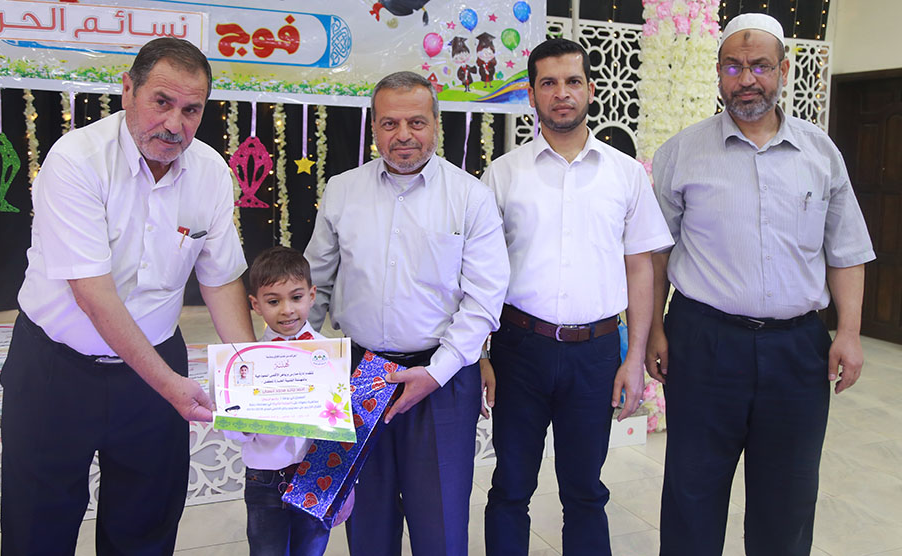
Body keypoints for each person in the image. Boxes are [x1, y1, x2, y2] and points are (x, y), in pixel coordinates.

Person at [0, 37, 256, 554]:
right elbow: (93, 295)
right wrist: (169, 386)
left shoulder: (210, 172)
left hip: (155, 366)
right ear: (127, 90)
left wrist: (255, 376)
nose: (174, 124)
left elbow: (221, 278)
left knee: (146, 526)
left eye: (191, 110)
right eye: (162, 101)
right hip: (56, 370)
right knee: (37, 528)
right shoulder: (77, 160)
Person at [647, 13, 876, 556]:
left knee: (788, 499)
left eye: (760, 66)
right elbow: (655, 256)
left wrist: (848, 333)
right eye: (733, 66)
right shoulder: (682, 152)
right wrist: (652, 330)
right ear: (718, 72)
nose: (746, 79)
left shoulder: (820, 153)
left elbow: (846, 251)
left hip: (797, 350)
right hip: (703, 342)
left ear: (783, 70)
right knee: (692, 493)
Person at [480, 38, 673, 555]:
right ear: (531, 94)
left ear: (590, 89)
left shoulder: (626, 174)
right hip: (520, 350)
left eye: (572, 81)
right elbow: (478, 273)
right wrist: (480, 355)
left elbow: (641, 268)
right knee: (510, 487)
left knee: (585, 491)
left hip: (596, 353)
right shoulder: (503, 175)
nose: (561, 93)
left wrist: (634, 358)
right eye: (548, 83)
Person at [304, 71, 509, 556]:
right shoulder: (342, 190)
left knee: (441, 527)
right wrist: (302, 365)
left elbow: (484, 298)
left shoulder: (470, 196)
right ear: (374, 126)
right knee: (366, 525)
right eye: (389, 123)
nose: (403, 135)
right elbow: (314, 285)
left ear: (436, 123)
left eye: (416, 122)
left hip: (441, 377)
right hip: (360, 376)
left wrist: (437, 372)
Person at [224, 246, 354, 556]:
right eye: (273, 301)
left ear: (312, 295)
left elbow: (344, 428)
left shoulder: (331, 354)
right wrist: (245, 416)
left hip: (317, 475)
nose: (287, 310)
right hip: (264, 478)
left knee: (311, 551)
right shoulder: (245, 361)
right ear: (255, 305)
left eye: (296, 297)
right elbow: (234, 432)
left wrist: (348, 484)